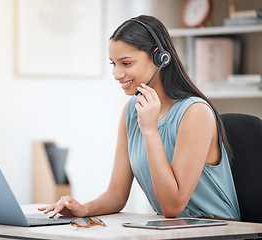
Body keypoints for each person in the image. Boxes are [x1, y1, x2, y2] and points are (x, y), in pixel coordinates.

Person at [38, 15, 241, 220]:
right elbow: (116, 194)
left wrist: (150, 130)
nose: (117, 74)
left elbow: (172, 207)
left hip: (216, 229)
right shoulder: (133, 110)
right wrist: (83, 209)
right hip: (175, 230)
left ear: (159, 57)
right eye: (114, 64)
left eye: (126, 63)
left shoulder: (195, 113)